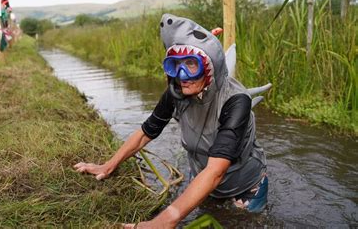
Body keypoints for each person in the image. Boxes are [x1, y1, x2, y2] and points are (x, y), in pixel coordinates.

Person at [74, 14, 268, 228]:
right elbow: (146, 132)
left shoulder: (235, 102)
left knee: (243, 223)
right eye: (175, 65)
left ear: (210, 67)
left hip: (244, 187)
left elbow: (215, 171)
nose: (182, 75)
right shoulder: (177, 92)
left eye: (191, 65)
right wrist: (108, 166)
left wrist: (163, 221)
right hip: (205, 182)